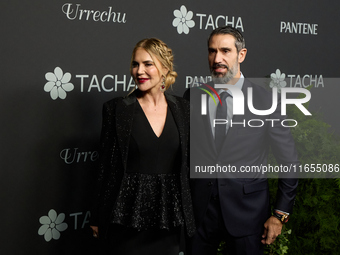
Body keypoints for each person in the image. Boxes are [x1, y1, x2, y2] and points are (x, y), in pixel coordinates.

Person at [185, 26, 299, 254]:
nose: (217, 58)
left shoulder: (267, 101)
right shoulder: (193, 96)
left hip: (248, 214)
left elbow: (289, 161)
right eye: (212, 51)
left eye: (225, 51)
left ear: (241, 54)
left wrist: (279, 215)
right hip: (200, 214)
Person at [90, 38, 195, 255]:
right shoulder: (116, 109)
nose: (139, 71)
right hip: (126, 216)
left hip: (169, 217)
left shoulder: (184, 109)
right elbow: (104, 169)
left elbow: (189, 166)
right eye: (135, 64)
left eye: (148, 64)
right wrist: (97, 216)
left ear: (165, 68)